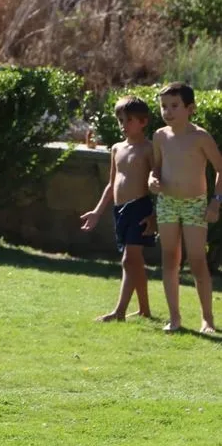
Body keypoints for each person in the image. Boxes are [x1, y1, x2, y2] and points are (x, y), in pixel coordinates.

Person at [148, 82, 222, 334]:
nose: (167, 111)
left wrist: (216, 202)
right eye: (163, 106)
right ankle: (175, 318)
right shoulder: (160, 136)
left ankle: (207, 320)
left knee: (198, 261)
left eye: (174, 106)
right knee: (170, 259)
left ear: (190, 109)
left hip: (195, 205)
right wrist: (152, 179)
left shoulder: (200, 137)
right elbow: (156, 167)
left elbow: (221, 169)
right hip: (167, 203)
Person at [80, 96, 156, 322]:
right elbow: (112, 184)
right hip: (120, 209)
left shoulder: (149, 149)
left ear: (143, 122)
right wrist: (97, 212)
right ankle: (144, 310)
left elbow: (157, 184)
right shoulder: (116, 148)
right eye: (121, 120)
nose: (124, 125)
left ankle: (119, 311)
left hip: (140, 208)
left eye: (129, 120)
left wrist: (154, 215)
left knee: (128, 260)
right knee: (135, 261)